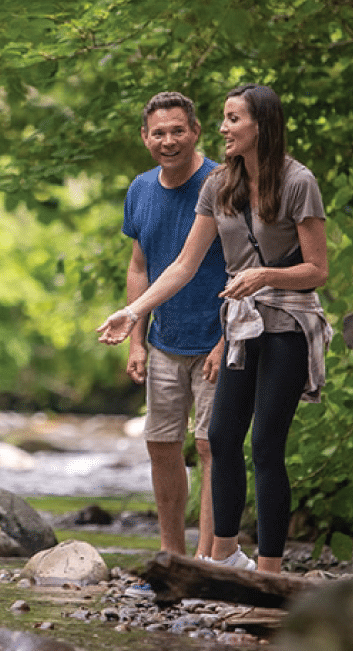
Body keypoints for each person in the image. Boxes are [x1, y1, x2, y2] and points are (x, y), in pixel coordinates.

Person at [98, 85, 332, 574]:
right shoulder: (219, 185)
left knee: (266, 445)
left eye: (232, 119)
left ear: (260, 126)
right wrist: (133, 312)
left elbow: (317, 270)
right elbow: (183, 264)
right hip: (242, 326)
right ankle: (223, 558)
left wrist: (265, 275)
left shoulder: (298, 182)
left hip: (286, 323)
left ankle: (267, 572)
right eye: (223, 119)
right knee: (224, 439)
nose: (224, 128)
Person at [121, 91, 228, 573]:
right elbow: (139, 266)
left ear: (196, 131)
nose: (169, 141)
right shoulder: (140, 190)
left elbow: (251, 264)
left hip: (217, 340)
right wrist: (137, 339)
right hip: (164, 340)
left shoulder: (224, 184)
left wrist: (229, 340)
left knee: (211, 446)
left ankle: (208, 560)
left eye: (177, 130)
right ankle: (172, 557)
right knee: (162, 444)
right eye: (159, 133)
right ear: (146, 139)